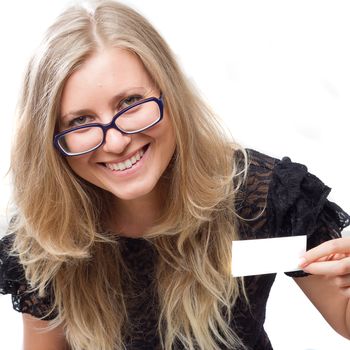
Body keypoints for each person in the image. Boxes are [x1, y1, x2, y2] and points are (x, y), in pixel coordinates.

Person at [0, 1, 349, 349]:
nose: (117, 141)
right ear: (50, 140)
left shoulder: (260, 198)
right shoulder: (47, 239)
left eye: (130, 102)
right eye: (80, 121)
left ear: (171, 94)